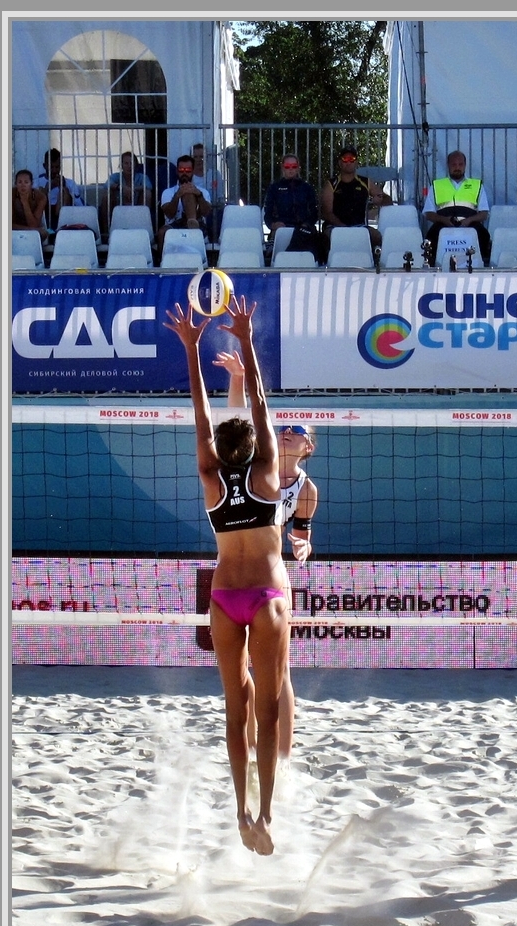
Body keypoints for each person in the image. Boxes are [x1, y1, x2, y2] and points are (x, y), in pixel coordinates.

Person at [164, 297, 290, 856]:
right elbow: (260, 402)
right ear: (257, 449)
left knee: (234, 709)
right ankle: (265, 814)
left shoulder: (211, 478)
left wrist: (192, 350)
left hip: (223, 599)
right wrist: (244, 340)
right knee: (267, 708)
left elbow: (200, 412)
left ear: (219, 449)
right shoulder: (268, 476)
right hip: (266, 598)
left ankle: (240, 809)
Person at [217, 351, 318, 759]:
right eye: (285, 427)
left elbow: (303, 532)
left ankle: (282, 756)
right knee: (239, 675)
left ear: (309, 446)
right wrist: (239, 377)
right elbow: (236, 420)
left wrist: (304, 545)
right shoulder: (261, 465)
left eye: (297, 430)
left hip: (273, 578)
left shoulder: (307, 490)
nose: (287, 431)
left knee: (279, 674)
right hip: (237, 568)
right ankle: (252, 748)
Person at [422, 150, 490, 264]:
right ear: (448, 165)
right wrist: (443, 220)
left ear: (465, 165)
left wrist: (469, 220)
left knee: (483, 235)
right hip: (443, 224)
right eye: (454, 164)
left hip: (470, 224)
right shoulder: (437, 185)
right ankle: (435, 265)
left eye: (460, 164)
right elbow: (428, 213)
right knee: (431, 236)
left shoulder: (477, 185)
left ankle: (480, 264)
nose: (457, 167)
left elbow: (484, 213)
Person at [321, 144, 389, 254]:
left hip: (359, 226)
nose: (348, 162)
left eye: (352, 159)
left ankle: (376, 263)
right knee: (326, 237)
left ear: (356, 162)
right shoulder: (331, 184)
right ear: (340, 163)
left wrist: (378, 202)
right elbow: (326, 212)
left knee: (377, 236)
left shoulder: (366, 182)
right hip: (335, 227)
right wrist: (344, 228)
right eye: (345, 159)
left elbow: (386, 199)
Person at [262, 153, 322, 263]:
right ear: (282, 168)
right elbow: (268, 213)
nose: (291, 170)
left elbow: (314, 212)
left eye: (294, 167)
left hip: (303, 228)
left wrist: (307, 224)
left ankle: (291, 256)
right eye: (287, 167)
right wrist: (273, 224)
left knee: (308, 234)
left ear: (298, 168)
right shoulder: (274, 188)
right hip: (281, 228)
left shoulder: (306, 188)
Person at [158, 154, 212, 256]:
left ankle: (192, 223)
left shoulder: (202, 192)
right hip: (175, 224)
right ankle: (162, 264)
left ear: (193, 171)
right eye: (181, 170)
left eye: (187, 170)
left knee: (189, 194)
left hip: (198, 225)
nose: (184, 173)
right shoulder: (168, 192)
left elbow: (206, 212)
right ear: (177, 171)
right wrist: (178, 195)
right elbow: (169, 214)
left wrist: (198, 195)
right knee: (162, 232)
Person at [36, 149, 85, 231]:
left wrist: (64, 187)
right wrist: (49, 187)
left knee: (64, 192)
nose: (55, 170)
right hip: (44, 213)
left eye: (57, 167)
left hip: (64, 213)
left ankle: (59, 227)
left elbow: (80, 206)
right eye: (51, 167)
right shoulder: (36, 182)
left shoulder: (70, 183)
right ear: (44, 166)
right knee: (41, 191)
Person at [104, 152, 153, 229]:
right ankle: (106, 230)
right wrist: (122, 188)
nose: (129, 166)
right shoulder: (116, 176)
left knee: (147, 193)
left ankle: (144, 228)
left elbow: (149, 186)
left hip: (137, 206)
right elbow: (107, 184)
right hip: (118, 207)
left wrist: (132, 189)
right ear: (121, 165)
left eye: (131, 163)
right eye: (126, 163)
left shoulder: (141, 177)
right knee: (107, 194)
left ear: (136, 165)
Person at [12, 169, 48, 234]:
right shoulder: (11, 194)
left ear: (31, 184)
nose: (23, 185)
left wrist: (25, 202)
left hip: (33, 230)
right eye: (20, 182)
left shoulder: (41, 197)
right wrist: (30, 229)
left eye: (26, 182)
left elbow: (34, 225)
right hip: (15, 230)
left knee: (43, 233)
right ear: (15, 184)